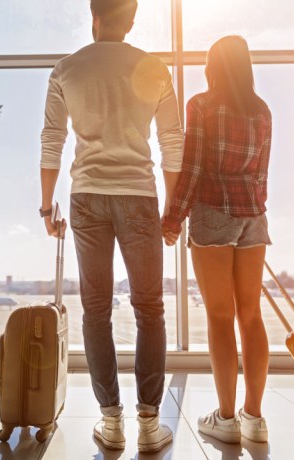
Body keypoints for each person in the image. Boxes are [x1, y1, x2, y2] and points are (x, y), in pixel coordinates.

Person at [39, 0, 183, 453]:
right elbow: (172, 142)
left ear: (94, 16)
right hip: (140, 195)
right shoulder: (155, 69)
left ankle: (112, 422)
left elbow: (52, 140)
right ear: (132, 21)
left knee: (96, 309)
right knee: (150, 308)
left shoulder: (66, 70)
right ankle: (149, 424)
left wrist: (46, 206)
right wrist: (173, 209)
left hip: (87, 197)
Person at [161, 35, 272, 444]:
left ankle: (225, 419)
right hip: (253, 216)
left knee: (220, 317)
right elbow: (262, 173)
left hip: (212, 213)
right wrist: (253, 211)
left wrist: (173, 218)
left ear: (213, 66)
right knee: (251, 316)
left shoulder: (202, 105)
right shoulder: (262, 110)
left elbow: (192, 168)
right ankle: (254, 418)